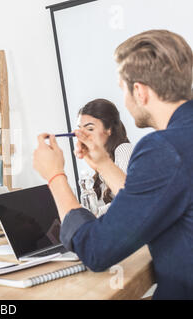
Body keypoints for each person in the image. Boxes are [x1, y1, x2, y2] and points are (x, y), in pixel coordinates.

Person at [33, 29, 193, 299]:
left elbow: (96, 250)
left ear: (139, 91)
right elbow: (148, 203)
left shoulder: (163, 149)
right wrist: (104, 164)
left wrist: (55, 176)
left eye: (123, 90)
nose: (126, 101)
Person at [77, 99, 133, 216]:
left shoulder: (123, 149)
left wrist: (94, 214)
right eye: (79, 130)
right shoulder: (100, 162)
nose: (83, 136)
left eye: (90, 129)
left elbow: (128, 201)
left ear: (109, 129)